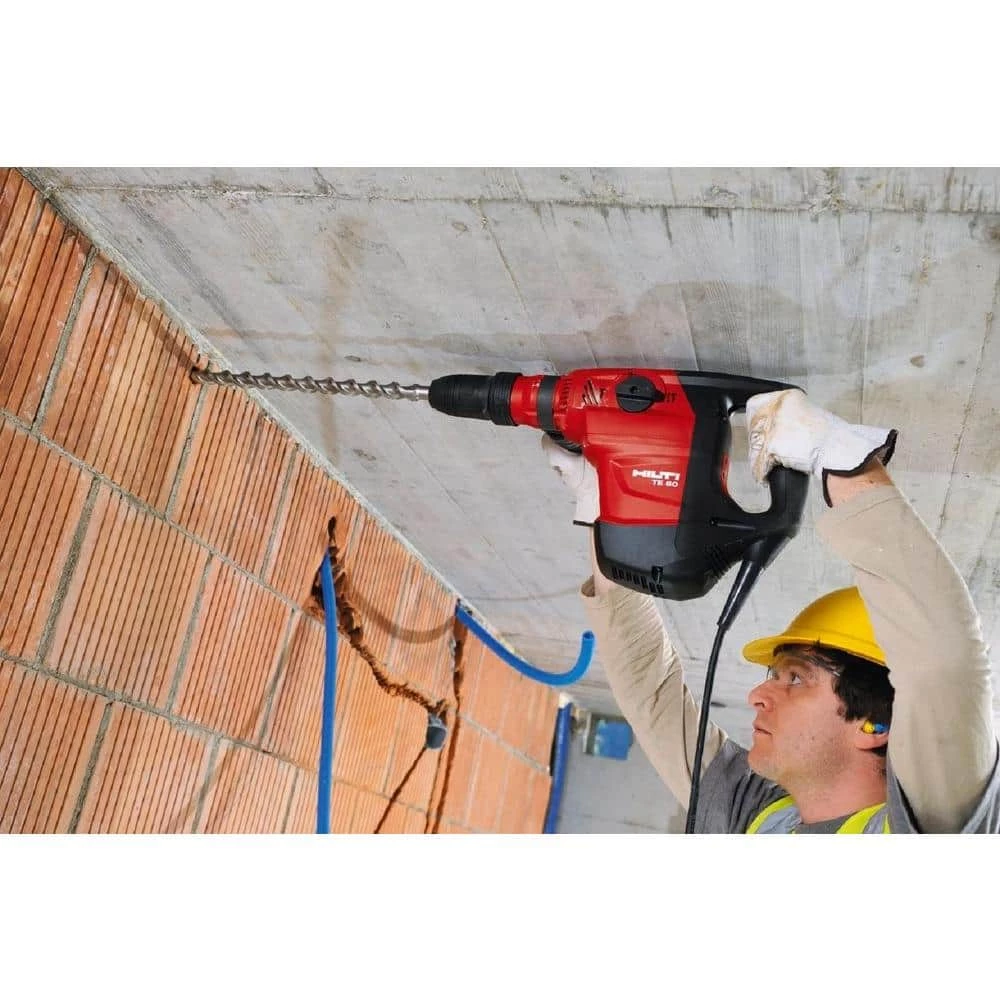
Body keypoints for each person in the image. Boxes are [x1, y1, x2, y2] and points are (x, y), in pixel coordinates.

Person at [545, 387, 1000, 833]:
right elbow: (653, 691)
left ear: (876, 725)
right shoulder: (767, 815)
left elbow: (942, 670)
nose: (757, 696)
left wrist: (833, 449)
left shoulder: (758, 825)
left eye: (795, 678)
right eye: (785, 676)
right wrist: (609, 515)